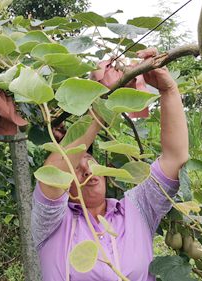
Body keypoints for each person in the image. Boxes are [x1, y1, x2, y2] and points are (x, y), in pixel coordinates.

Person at [31, 48, 189, 280]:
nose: (87, 169)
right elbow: (52, 174)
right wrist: (103, 97)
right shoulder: (52, 223)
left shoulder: (137, 209)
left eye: (91, 161)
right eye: (76, 167)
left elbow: (175, 158)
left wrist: (168, 89)